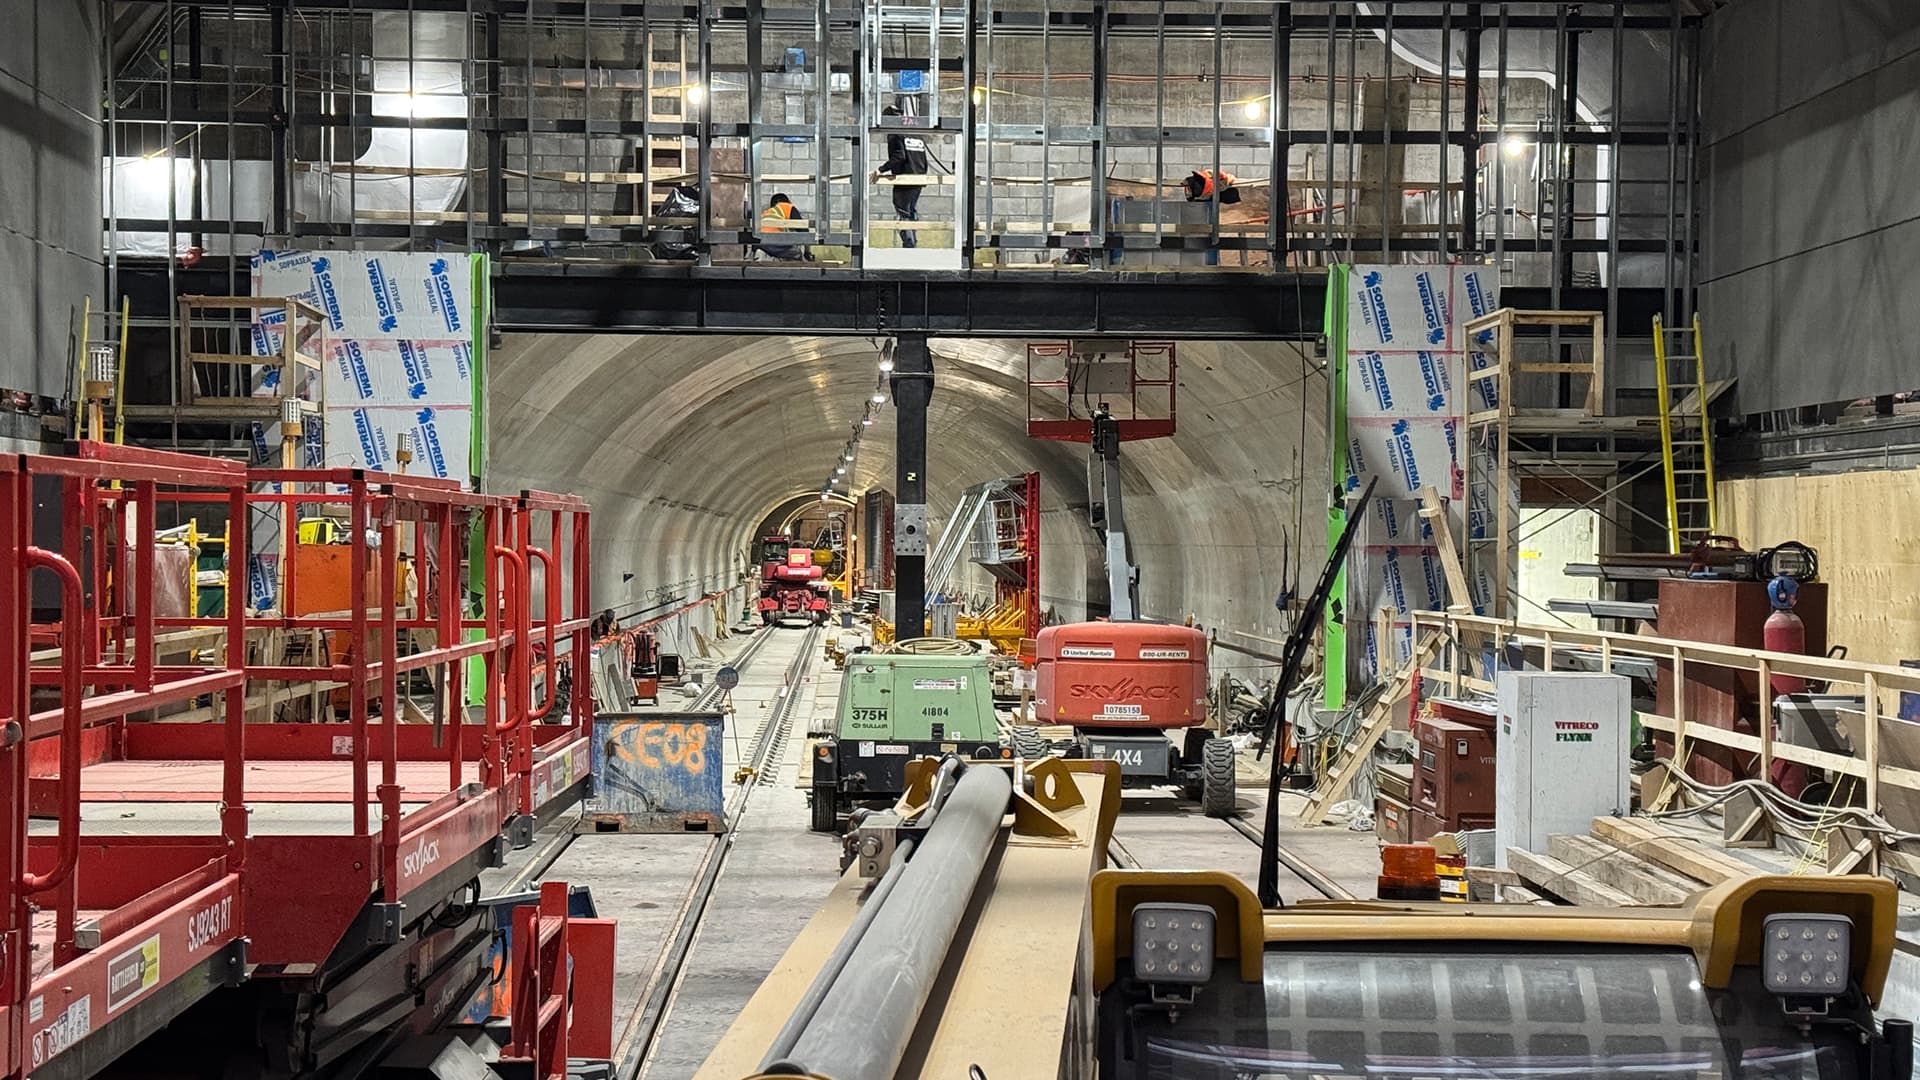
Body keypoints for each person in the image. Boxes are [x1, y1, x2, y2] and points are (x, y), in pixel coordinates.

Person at [872, 106, 930, 248]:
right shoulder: (915, 134)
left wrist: (881, 170)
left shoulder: (895, 133)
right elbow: (924, 158)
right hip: (919, 177)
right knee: (911, 210)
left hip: (905, 177)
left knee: (903, 211)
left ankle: (909, 243)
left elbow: (899, 156)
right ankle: (912, 242)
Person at [759, 193, 807, 261]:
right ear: (788, 202)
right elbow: (804, 230)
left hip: (761, 244)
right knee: (797, 252)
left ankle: (763, 255)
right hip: (776, 242)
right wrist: (807, 253)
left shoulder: (766, 213)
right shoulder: (787, 207)